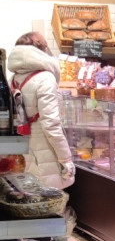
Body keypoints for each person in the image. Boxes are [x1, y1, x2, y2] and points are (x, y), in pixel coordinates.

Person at [7, 32, 75, 189]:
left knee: (27, 196)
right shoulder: (46, 78)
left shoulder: (11, 80)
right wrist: (65, 159)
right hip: (45, 155)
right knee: (49, 198)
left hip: (21, 152)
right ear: (41, 51)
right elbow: (51, 125)